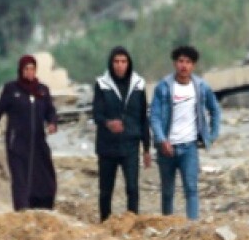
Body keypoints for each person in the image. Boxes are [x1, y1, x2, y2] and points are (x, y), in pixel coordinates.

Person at [0, 54, 59, 211]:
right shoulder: (12, 90)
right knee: (21, 179)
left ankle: (42, 208)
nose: (30, 72)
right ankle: (22, 211)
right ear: (21, 70)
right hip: (17, 144)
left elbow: (50, 111)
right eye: (26, 69)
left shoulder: (42, 90)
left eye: (32, 68)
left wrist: (53, 123)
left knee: (45, 177)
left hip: (38, 142)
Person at [149, 45, 222, 220]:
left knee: (191, 189)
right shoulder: (164, 87)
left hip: (189, 147)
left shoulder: (201, 87)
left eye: (188, 62)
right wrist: (161, 139)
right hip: (166, 148)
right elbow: (155, 116)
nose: (184, 65)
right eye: (181, 61)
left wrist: (211, 136)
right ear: (175, 63)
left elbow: (215, 110)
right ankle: (167, 224)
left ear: (193, 65)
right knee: (167, 191)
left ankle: (193, 227)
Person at [92, 46, 151, 221]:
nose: (120, 65)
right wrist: (108, 123)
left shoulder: (138, 84)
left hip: (131, 145)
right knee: (105, 190)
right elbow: (96, 114)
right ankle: (104, 222)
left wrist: (146, 148)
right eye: (116, 62)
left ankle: (132, 222)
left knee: (132, 188)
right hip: (107, 146)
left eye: (123, 61)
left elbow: (143, 117)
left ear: (129, 63)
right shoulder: (102, 84)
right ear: (111, 64)